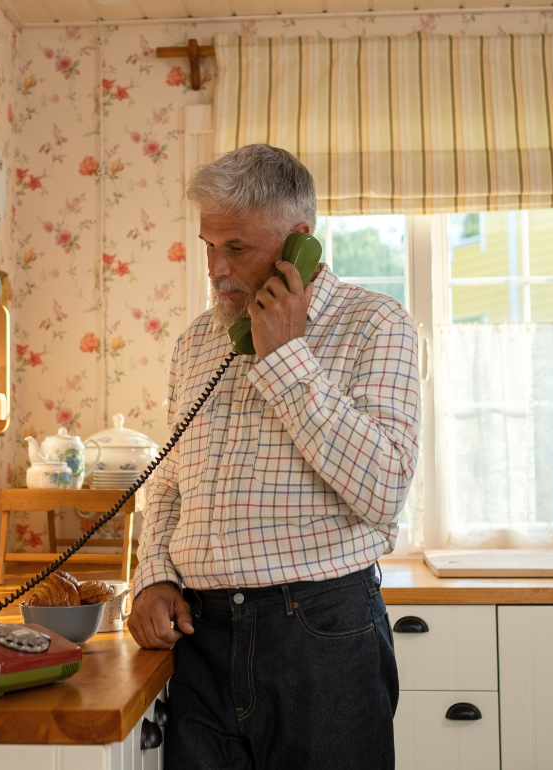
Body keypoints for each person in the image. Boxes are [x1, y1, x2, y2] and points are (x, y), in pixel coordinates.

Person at [128, 143, 420, 770]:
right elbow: (171, 484)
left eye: (237, 248)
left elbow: (385, 488)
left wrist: (285, 358)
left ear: (298, 242)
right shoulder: (196, 344)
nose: (216, 269)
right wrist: (152, 574)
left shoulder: (376, 324)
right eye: (209, 245)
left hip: (321, 637)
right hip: (201, 642)